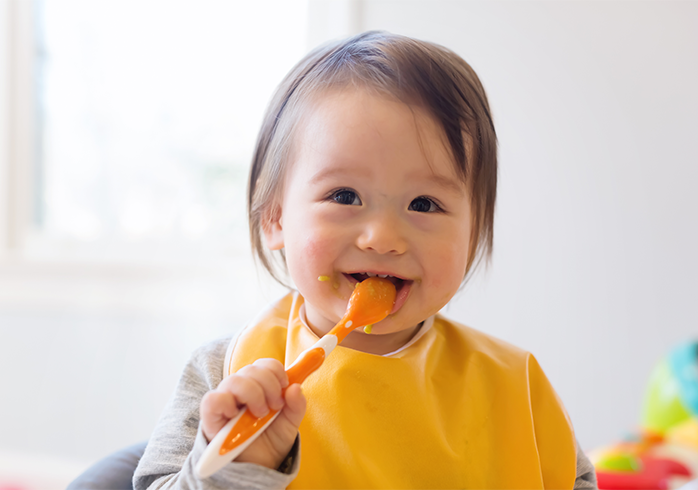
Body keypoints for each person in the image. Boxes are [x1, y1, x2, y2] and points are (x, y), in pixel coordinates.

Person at [133, 31, 598, 489]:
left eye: (424, 204)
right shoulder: (226, 375)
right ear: (275, 216)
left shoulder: (517, 388)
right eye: (344, 195)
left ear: (473, 231)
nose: (383, 238)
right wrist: (238, 467)